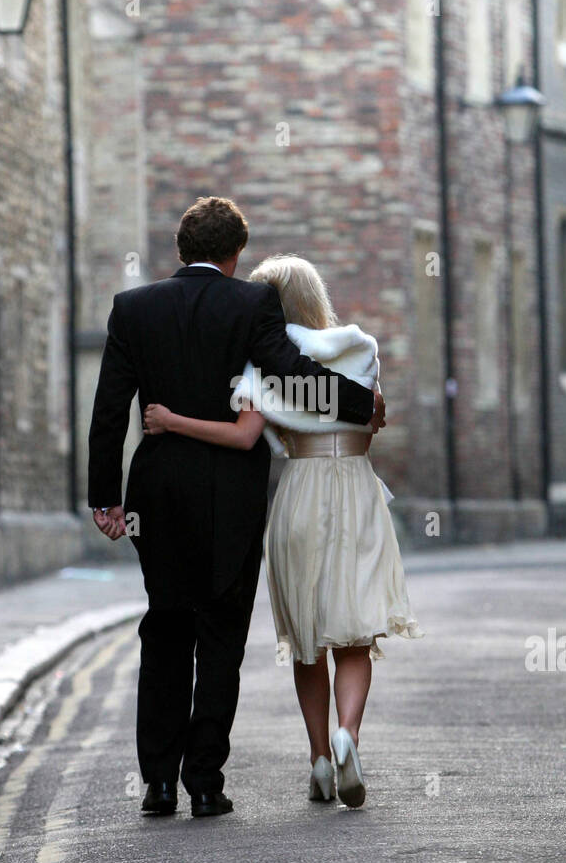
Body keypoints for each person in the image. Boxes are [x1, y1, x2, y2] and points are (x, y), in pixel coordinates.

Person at [87, 199, 383, 817]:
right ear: (236, 254)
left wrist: (104, 499)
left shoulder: (133, 308)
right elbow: (290, 371)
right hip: (231, 494)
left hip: (158, 492)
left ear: (180, 249)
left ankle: (159, 783)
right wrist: (362, 405)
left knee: (165, 625)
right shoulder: (252, 304)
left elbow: (110, 407)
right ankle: (203, 783)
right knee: (220, 633)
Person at [143, 254, 421, 808]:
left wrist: (171, 421)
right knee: (355, 632)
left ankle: (320, 760)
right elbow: (375, 420)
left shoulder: (261, 367)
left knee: (308, 636)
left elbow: (245, 437)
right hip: (356, 491)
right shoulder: (359, 350)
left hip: (299, 494)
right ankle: (349, 735)